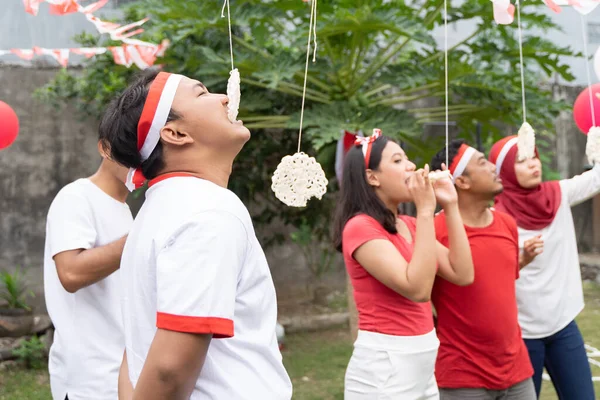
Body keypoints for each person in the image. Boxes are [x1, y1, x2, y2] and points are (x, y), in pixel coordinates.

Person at [99, 68, 292, 400]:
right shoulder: (206, 210)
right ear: (174, 133)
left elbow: (141, 350)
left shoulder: (158, 210)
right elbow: (169, 369)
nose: (225, 98)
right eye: (202, 94)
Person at [332, 131, 474, 399]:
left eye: (407, 159)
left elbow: (462, 273)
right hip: (385, 370)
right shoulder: (360, 227)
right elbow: (418, 289)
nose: (411, 166)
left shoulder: (409, 225)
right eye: (398, 161)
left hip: (422, 363)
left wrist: (451, 205)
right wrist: (424, 210)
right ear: (372, 177)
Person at [489, 135, 600, 399]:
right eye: (522, 160)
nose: (533, 164)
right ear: (503, 171)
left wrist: (596, 150)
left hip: (563, 326)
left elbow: (596, 178)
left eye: (534, 156)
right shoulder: (492, 216)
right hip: (521, 333)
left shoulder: (558, 194)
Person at [430, 139, 541, 399]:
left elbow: (496, 286)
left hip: (517, 371)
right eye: (482, 162)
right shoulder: (432, 231)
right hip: (462, 377)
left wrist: (523, 260)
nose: (494, 167)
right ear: (462, 182)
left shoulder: (507, 224)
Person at [44, 138, 132, 399]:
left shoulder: (126, 211)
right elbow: (71, 273)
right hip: (89, 379)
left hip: (121, 374)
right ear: (105, 147)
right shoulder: (76, 197)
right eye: (131, 150)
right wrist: (141, 237)